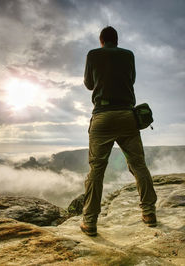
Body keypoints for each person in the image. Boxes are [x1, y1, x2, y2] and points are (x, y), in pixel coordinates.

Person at [80, 26, 157, 236]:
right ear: (117, 39)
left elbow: (88, 84)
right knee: (139, 165)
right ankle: (149, 213)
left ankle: (89, 222)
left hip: (102, 116)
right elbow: (130, 80)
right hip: (126, 116)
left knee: (96, 170)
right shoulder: (128, 55)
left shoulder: (93, 54)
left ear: (101, 40)